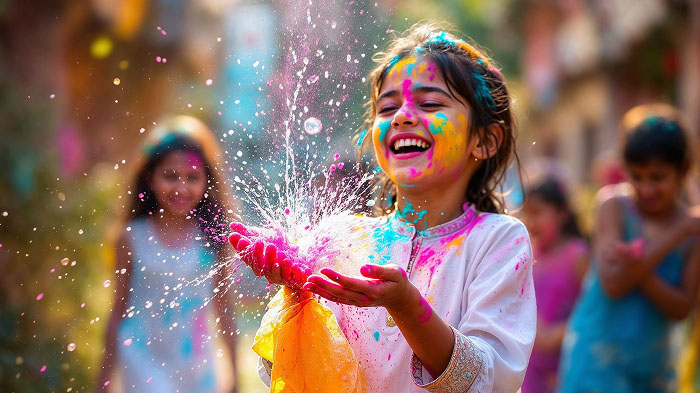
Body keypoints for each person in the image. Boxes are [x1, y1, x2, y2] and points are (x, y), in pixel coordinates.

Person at [229, 22, 536, 392]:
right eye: (388, 107)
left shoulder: (497, 240)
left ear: (484, 141)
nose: (403, 116)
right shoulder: (343, 238)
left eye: (430, 103)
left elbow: (490, 379)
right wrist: (298, 296)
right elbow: (290, 370)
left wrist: (407, 305)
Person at [557, 104, 700, 393]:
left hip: (653, 371)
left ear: (682, 170)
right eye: (637, 176)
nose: (646, 189)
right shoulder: (614, 207)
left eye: (657, 178)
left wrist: (635, 267)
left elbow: (682, 307)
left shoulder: (694, 231)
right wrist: (677, 232)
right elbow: (613, 284)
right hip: (596, 362)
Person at [98, 115, 239, 392]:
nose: (181, 188)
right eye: (170, 176)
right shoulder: (132, 237)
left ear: (206, 182)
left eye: (192, 178)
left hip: (196, 364)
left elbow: (224, 308)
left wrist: (234, 376)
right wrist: (102, 380)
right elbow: (118, 308)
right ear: (150, 177)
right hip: (141, 359)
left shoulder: (211, 239)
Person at [520, 178, 589, 393]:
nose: (530, 221)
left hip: (565, 367)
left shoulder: (576, 255)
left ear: (562, 212)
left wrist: (556, 334)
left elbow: (593, 312)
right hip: (531, 369)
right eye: (527, 213)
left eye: (538, 213)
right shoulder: (528, 253)